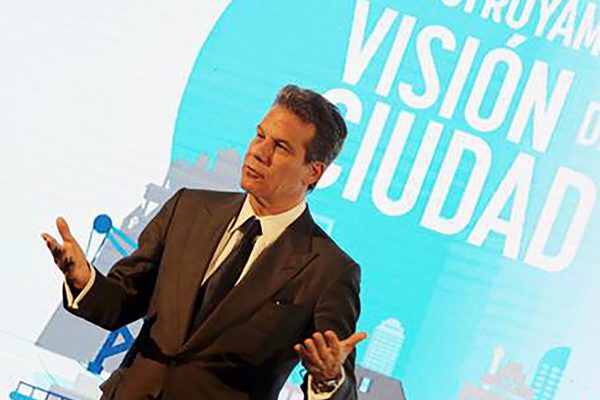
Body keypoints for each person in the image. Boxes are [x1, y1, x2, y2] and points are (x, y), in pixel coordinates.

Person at [41, 84, 366, 400]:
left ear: (313, 172)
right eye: (260, 135)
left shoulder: (329, 271)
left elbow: (339, 380)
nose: (259, 152)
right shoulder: (187, 208)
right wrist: (83, 279)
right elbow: (121, 302)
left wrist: (328, 379)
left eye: (280, 147)